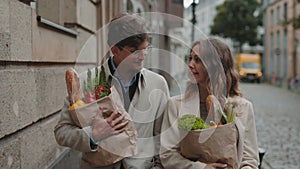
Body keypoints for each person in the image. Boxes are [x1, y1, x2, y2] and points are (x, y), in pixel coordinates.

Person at [54, 13, 170, 169]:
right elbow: (61, 132)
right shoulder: (84, 82)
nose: (142, 56)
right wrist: (92, 135)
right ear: (115, 49)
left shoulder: (158, 84)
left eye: (145, 49)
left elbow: (163, 137)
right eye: (134, 51)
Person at [160, 37, 259, 169]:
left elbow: (250, 158)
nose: (190, 64)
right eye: (190, 58)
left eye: (198, 60)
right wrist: (201, 168)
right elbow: (167, 154)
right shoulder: (175, 105)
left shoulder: (243, 107)